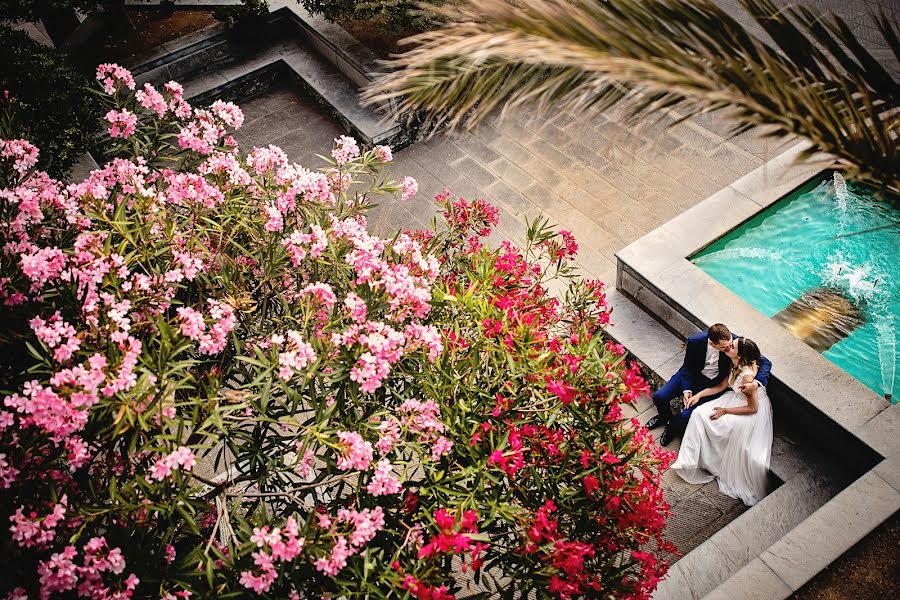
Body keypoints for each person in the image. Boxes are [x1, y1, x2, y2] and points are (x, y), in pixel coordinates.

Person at [670, 337, 774, 506]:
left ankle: (711, 463)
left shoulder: (747, 377)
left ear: (739, 354)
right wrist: (699, 395)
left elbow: (753, 408)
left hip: (748, 411)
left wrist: (725, 411)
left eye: (732, 346)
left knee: (717, 423)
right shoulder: (734, 364)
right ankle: (688, 460)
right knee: (698, 413)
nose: (728, 346)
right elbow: (721, 387)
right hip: (734, 399)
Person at [646, 323, 771, 446]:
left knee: (686, 415)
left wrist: (755, 384)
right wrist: (686, 389)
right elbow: (688, 367)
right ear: (712, 343)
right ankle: (664, 417)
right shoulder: (695, 341)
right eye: (724, 348)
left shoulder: (735, 343)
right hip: (693, 376)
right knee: (659, 396)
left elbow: (765, 362)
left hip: (714, 382)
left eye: (729, 346)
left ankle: (672, 426)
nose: (728, 348)